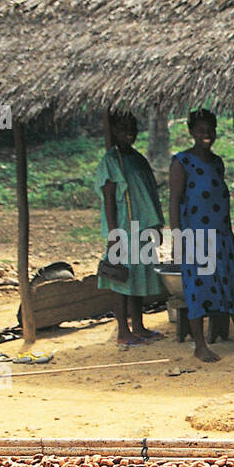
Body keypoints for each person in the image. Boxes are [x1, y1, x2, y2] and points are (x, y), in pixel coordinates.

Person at [169, 109, 234, 362]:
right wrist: (177, 238)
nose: (206, 135)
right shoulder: (182, 162)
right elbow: (174, 201)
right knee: (198, 288)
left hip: (222, 235)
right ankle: (200, 346)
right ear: (191, 132)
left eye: (210, 130)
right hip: (196, 237)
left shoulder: (217, 163)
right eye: (200, 130)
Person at [95, 112, 164, 345]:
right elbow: (109, 199)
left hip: (143, 227)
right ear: (114, 130)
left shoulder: (137, 158)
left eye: (132, 127)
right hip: (124, 228)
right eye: (123, 128)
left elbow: (151, 194)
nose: (129, 132)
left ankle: (139, 326)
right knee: (120, 278)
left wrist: (157, 225)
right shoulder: (111, 161)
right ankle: (123, 331)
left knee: (138, 276)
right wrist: (114, 233)